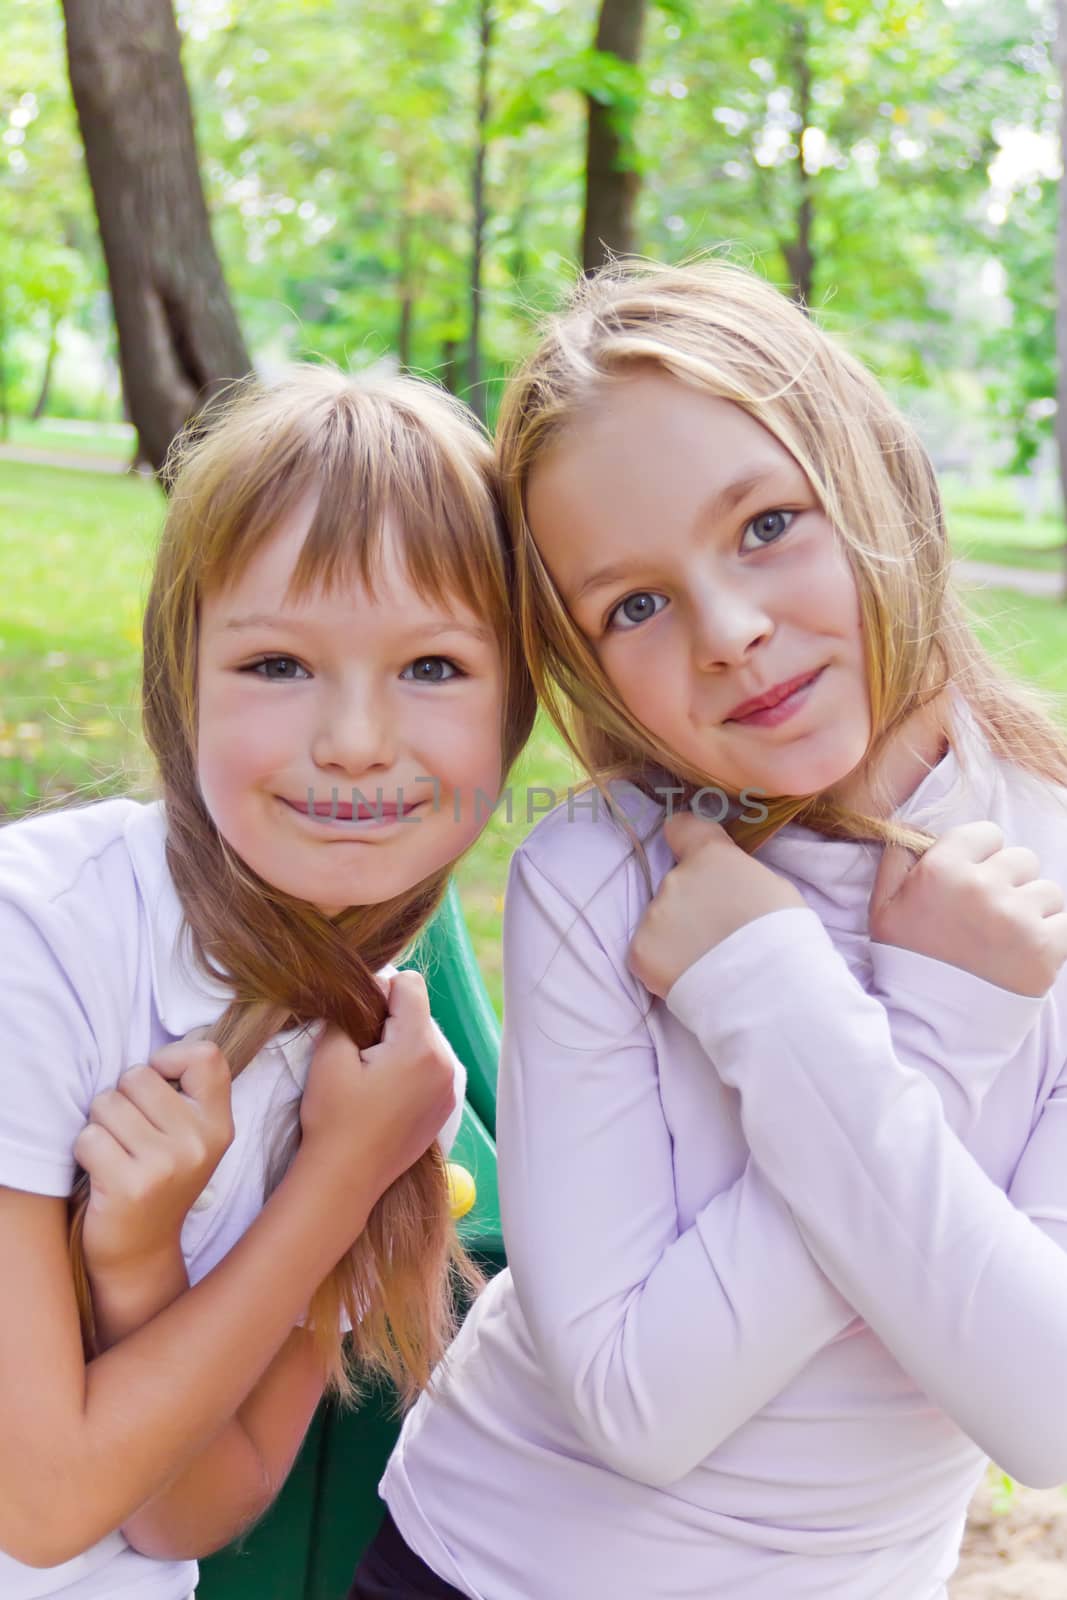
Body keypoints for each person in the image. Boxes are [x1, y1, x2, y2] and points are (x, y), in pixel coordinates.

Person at [351, 261, 1067, 1600]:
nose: (729, 633)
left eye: (765, 525)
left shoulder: (1049, 867)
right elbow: (634, 1407)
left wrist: (787, 1003)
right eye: (632, 605)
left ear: (872, 476)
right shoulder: (603, 876)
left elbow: (1042, 1411)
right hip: (485, 1564)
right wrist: (922, 1024)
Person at [0, 366, 535, 1600]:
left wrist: (141, 1271)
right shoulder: (45, 940)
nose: (354, 737)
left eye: (435, 668)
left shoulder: (387, 1080)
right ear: (181, 680)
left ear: (514, 713)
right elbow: (40, 1507)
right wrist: (333, 1183)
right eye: (279, 663)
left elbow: (198, 1503)